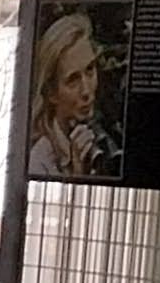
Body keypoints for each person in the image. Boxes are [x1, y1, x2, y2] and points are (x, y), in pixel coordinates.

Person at [23, 10, 112, 180]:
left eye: (90, 70)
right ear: (51, 93)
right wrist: (77, 174)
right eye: (73, 80)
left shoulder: (104, 134)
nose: (86, 91)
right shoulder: (39, 161)